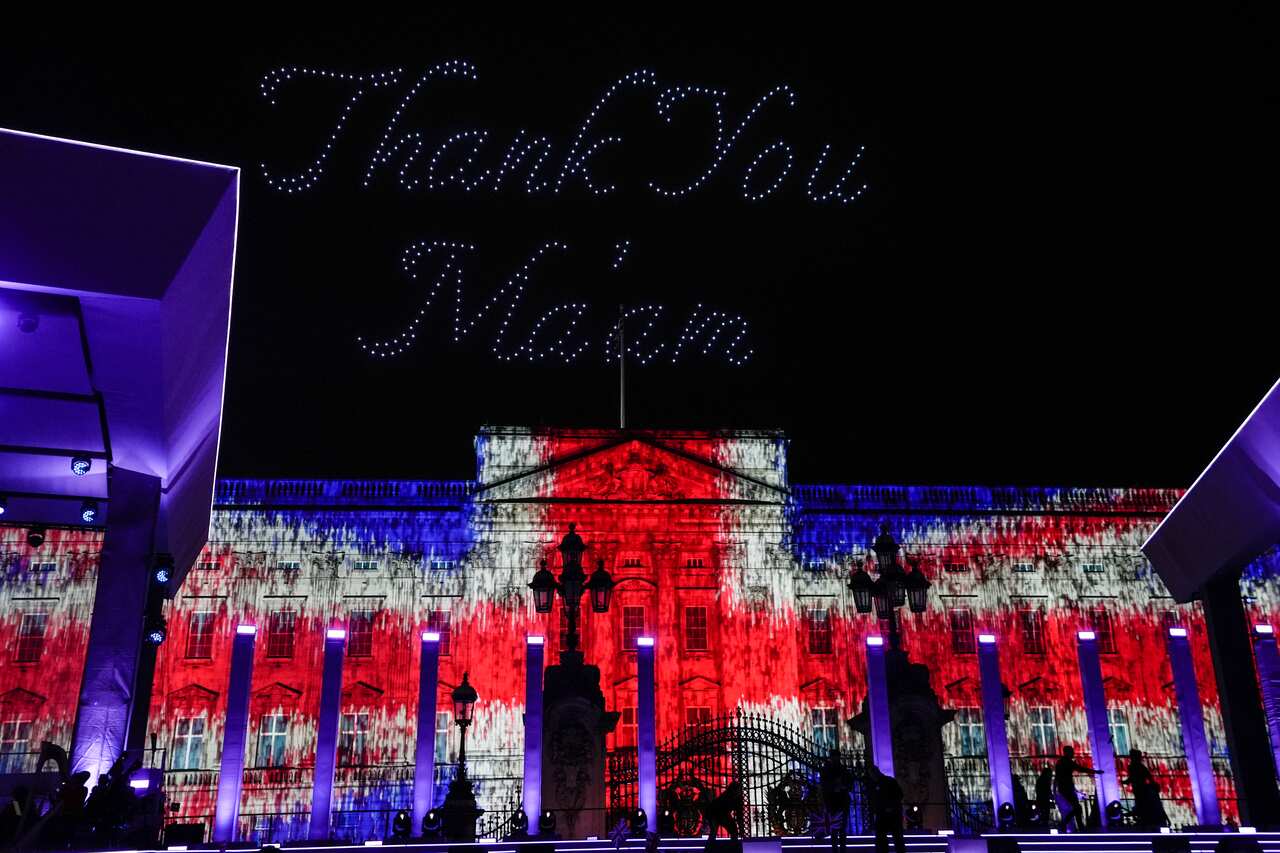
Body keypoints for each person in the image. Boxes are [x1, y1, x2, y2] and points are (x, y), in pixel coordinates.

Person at [1054, 746, 1101, 832]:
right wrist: (1095, 772)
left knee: (1076, 808)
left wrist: (1055, 789)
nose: (1073, 754)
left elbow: (1057, 777)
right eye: (1072, 752)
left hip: (1064, 788)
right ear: (1067, 752)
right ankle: (1068, 824)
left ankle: (1074, 825)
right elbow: (1081, 768)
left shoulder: (1060, 762)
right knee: (1077, 808)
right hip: (1067, 788)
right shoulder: (1067, 762)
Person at [819, 748, 853, 853]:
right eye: (834, 757)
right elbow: (824, 785)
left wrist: (843, 786)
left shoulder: (843, 769)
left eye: (836, 757)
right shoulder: (827, 770)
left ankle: (841, 849)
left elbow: (849, 783)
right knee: (835, 828)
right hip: (833, 801)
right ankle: (836, 849)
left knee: (841, 827)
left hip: (841, 801)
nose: (835, 759)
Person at [1123, 750, 1168, 829]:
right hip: (1139, 789)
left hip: (1141, 789)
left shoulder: (1136, 767)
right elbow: (1147, 777)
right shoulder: (1138, 767)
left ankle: (1144, 820)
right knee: (1140, 804)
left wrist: (1126, 781)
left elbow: (1136, 777)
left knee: (1141, 804)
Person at [868, 766, 904, 853]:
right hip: (888, 814)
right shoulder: (889, 781)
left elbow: (899, 795)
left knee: (891, 839)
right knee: (895, 838)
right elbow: (900, 795)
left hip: (889, 814)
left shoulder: (885, 782)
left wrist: (890, 807)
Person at [702, 781, 742, 850]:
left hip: (719, 814)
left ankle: (709, 848)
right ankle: (733, 847)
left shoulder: (731, 796)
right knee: (731, 830)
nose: (739, 791)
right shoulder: (729, 796)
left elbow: (738, 813)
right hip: (716, 813)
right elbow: (737, 813)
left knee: (731, 830)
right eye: (738, 789)